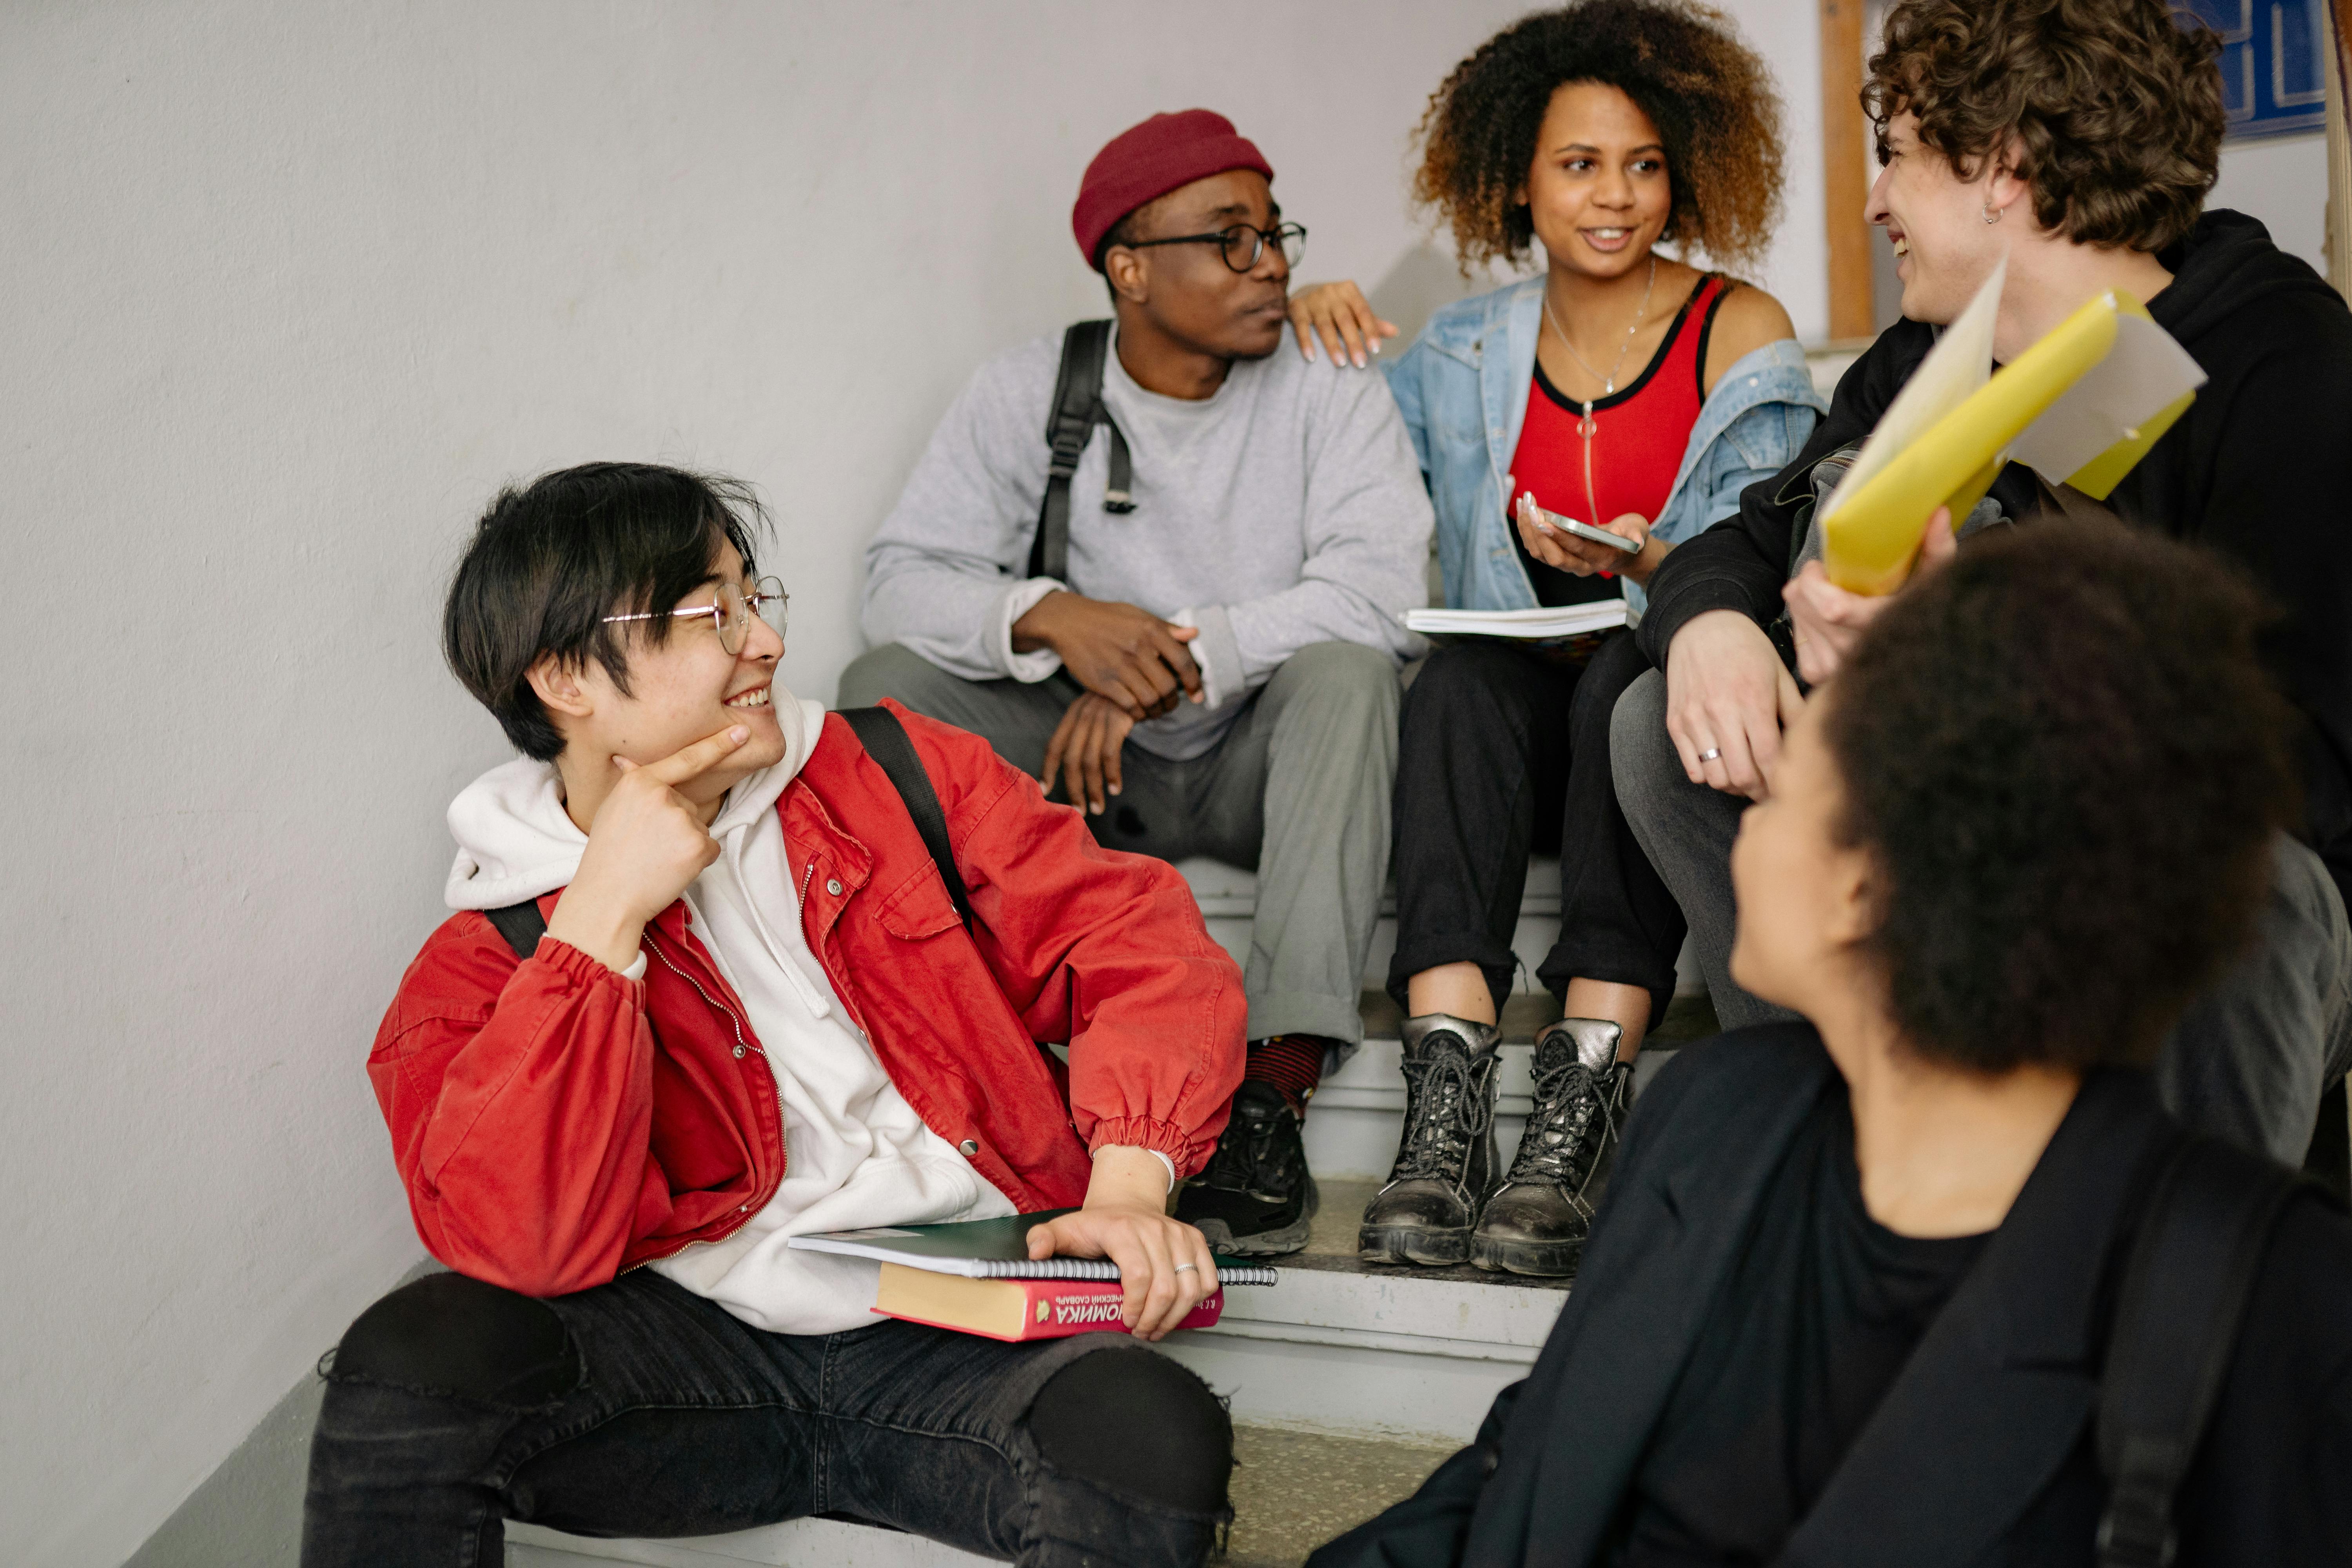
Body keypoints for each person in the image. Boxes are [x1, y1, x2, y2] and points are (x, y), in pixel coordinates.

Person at [1311, 523, 2352, 1568]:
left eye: (1791, 761)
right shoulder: (1713, 1118)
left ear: (1864, 885)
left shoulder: (2261, 1291)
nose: (1745, 801)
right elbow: (1520, 1470)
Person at [303, 464, 1245, 1568]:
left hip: (960, 1333)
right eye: (713, 613)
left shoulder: (895, 773)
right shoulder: (486, 959)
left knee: (1149, 1431)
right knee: (413, 1356)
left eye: (756, 600)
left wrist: (1131, 1188)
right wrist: (603, 920)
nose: (764, 642)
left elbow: (1133, 941)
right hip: (691, 1363)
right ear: (564, 676)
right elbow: (525, 1242)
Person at [1613, 0, 2352, 1164]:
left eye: (1896, 156)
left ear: (2003, 167)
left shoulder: (2281, 358)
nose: (1872, 200)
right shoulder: (1924, 355)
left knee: (2245, 883)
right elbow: (1742, 539)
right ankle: (1855, 1171)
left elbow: (2310, 776)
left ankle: (2182, 1282)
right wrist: (1709, 625)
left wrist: (1979, 686)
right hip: (1980, 858)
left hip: (2226, 884)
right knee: (1659, 730)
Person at [1283, 0, 1823, 1273]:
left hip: (1649, 743)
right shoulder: (1460, 348)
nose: (1617, 197)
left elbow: (1763, 561)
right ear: (1515, 183)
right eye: (1580, 165)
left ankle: (1578, 1100)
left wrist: (1645, 565)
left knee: (1623, 683)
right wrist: (1311, 325)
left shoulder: (1740, 334)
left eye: (1643, 164)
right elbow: (1356, 488)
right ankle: (1447, 1105)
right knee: (1461, 681)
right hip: (1514, 741)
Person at [841, 110, 1433, 1258]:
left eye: (1276, 235)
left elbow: (1382, 593)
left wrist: (1178, 654)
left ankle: (1274, 1084)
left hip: (1267, 762)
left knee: (1354, 673)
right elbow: (896, 584)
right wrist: (1052, 618)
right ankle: (966, 1046)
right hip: (1089, 774)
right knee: (885, 687)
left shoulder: (1328, 383)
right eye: (1231, 239)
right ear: (1130, 269)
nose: (1273, 266)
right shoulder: (1034, 390)